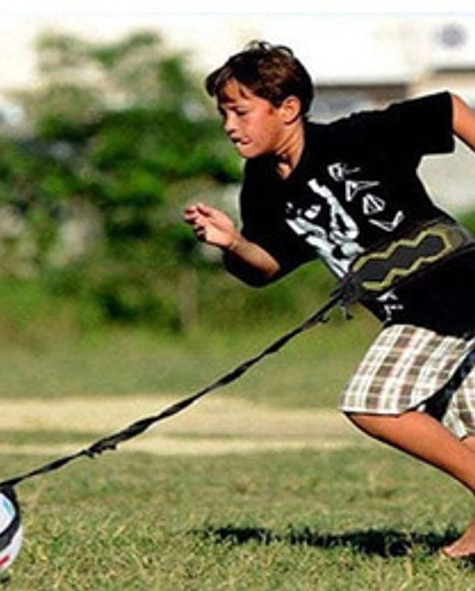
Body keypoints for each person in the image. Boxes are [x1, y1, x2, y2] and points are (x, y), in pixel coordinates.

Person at [184, 40, 475, 560]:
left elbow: (447, 107)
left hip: (451, 287)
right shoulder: (262, 185)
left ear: (288, 108)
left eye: (242, 111)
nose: (230, 126)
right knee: (464, 426)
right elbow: (266, 268)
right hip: (414, 309)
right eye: (224, 113)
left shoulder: (354, 138)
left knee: (374, 403)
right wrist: (232, 245)